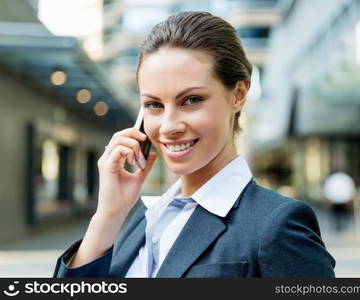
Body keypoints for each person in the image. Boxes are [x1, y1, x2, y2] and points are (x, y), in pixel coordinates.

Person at [53, 11, 335, 278]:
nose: (168, 126)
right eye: (153, 104)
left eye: (191, 100)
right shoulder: (143, 218)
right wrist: (109, 215)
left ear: (237, 95)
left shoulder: (277, 225)